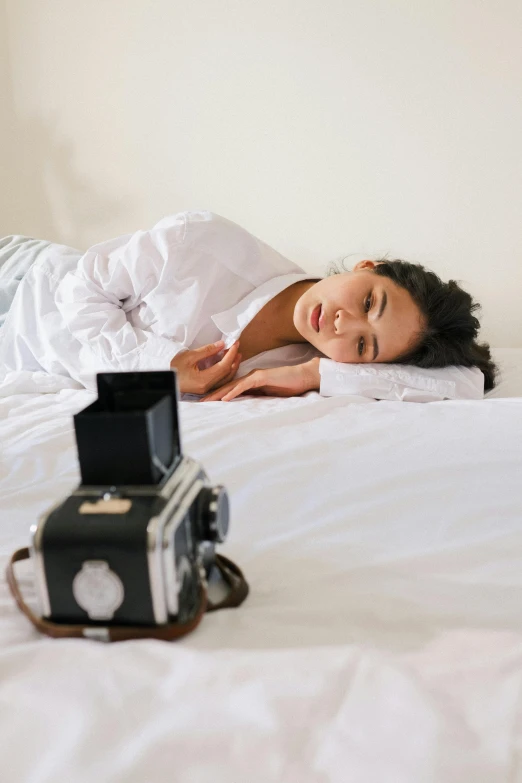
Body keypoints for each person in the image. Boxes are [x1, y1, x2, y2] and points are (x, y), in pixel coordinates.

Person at [0, 210, 496, 400]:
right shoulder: (207, 244)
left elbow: (465, 388)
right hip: (23, 288)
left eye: (365, 347)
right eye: (369, 300)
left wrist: (313, 375)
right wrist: (164, 369)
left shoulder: (295, 372)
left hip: (25, 365)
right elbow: (80, 293)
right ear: (365, 266)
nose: (345, 326)